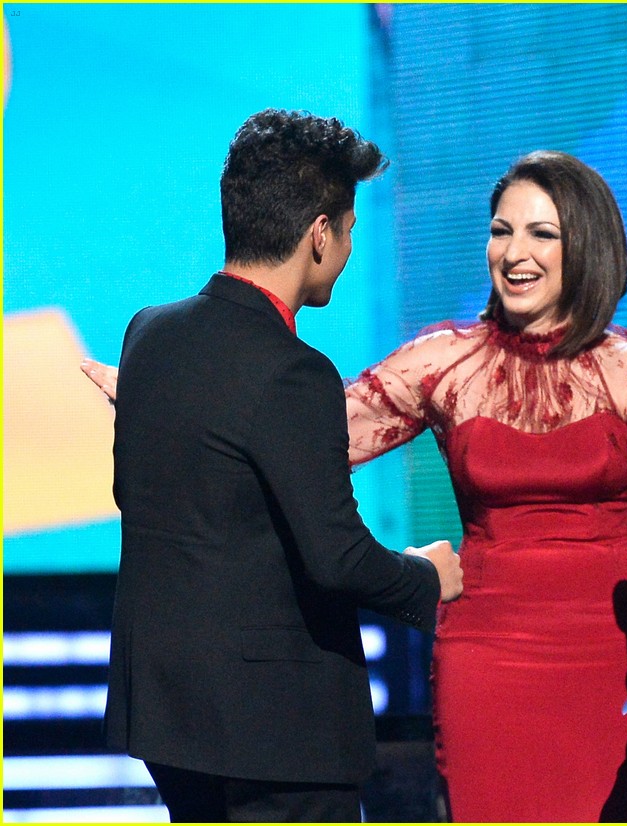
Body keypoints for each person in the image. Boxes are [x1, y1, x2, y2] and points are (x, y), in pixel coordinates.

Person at [87, 149, 627, 822]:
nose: (513, 252)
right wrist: (175, 400)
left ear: (588, 244)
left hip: (616, 649)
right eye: (501, 231)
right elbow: (303, 438)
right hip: (489, 655)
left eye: (540, 233)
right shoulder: (446, 360)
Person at [96, 108, 463, 822]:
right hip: (275, 732)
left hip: (169, 716)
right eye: (351, 230)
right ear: (319, 234)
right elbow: (338, 557)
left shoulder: (148, 333)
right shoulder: (294, 371)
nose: (350, 248)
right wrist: (427, 576)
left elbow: (133, 496)